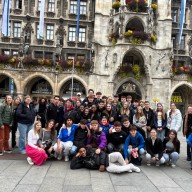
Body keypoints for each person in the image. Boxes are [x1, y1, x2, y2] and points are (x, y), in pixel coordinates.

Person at [70, 145, 140, 173]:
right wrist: (76, 157)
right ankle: (130, 166)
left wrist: (102, 163)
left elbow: (103, 153)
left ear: (86, 149)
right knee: (117, 170)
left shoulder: (91, 150)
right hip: (107, 166)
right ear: (78, 152)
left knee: (118, 154)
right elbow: (72, 166)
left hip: (107, 157)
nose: (83, 152)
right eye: (81, 151)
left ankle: (125, 166)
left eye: (84, 150)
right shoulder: (82, 161)